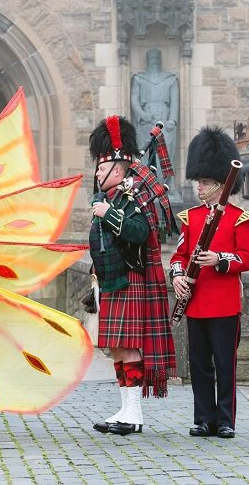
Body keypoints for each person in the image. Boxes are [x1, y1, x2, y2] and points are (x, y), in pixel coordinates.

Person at [88, 115, 176, 436]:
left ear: (119, 169)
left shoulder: (130, 198)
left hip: (130, 279)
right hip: (112, 280)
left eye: (102, 167)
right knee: (117, 348)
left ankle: (134, 414)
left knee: (128, 346)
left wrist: (108, 213)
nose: (97, 172)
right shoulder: (111, 197)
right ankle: (125, 409)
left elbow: (139, 233)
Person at [169, 126, 249, 439]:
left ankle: (225, 420)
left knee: (225, 364)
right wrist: (178, 277)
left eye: (204, 182)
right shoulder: (191, 218)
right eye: (198, 181)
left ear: (221, 184)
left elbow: (248, 258)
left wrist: (219, 259)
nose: (199, 187)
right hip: (195, 302)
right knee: (199, 366)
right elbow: (178, 256)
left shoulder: (240, 218)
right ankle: (203, 418)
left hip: (223, 303)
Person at [130, 48, 179, 178]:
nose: (154, 61)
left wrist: (172, 120)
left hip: (164, 120)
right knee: (145, 153)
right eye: (152, 58)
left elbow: (175, 101)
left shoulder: (170, 78)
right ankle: (146, 187)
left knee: (165, 155)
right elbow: (134, 98)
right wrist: (141, 114)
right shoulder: (139, 78)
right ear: (147, 60)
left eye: (157, 58)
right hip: (146, 120)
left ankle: (166, 188)